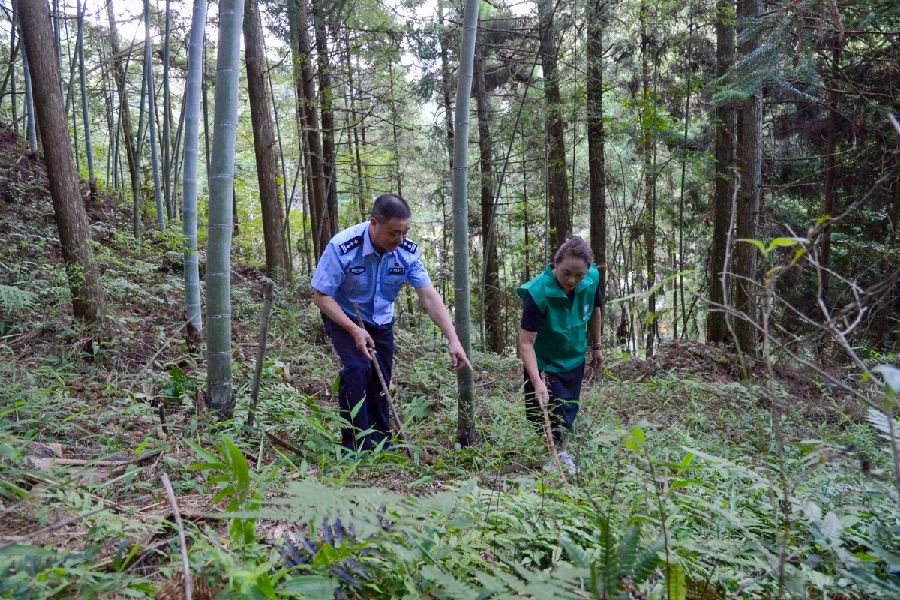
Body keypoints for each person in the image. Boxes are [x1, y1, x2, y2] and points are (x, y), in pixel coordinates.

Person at [311, 193, 472, 454]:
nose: (400, 239)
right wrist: (353, 329)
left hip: (381, 319)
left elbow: (428, 296)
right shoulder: (343, 247)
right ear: (374, 224)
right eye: (394, 233)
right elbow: (321, 297)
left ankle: (380, 443)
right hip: (345, 316)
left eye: (405, 232)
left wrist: (453, 339)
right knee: (356, 369)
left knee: (380, 378)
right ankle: (355, 447)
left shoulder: (407, 252)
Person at [517, 236, 603, 474]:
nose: (572, 281)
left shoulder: (591, 280)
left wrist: (597, 346)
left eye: (579, 275)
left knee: (566, 409)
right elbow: (526, 343)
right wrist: (537, 382)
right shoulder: (538, 293)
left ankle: (560, 455)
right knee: (541, 410)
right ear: (555, 264)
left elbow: (595, 311)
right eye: (566, 273)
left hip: (574, 357)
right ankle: (553, 452)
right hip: (544, 360)